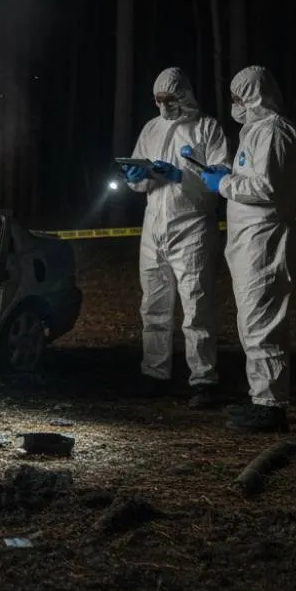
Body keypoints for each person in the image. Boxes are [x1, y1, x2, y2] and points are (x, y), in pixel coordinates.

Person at [200, 66, 296, 432]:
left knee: (262, 324)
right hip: (250, 241)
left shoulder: (274, 131)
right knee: (252, 323)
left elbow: (266, 188)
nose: (235, 104)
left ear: (255, 95)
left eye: (239, 97)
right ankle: (261, 397)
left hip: (265, 241)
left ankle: (271, 406)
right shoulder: (256, 132)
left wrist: (223, 183)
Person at [121, 67, 230, 408]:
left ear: (184, 95)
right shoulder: (151, 129)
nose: (163, 105)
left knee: (196, 305)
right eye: (157, 100)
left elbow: (221, 180)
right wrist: (136, 176)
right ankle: (155, 374)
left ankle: (203, 379)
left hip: (192, 225)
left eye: (169, 98)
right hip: (154, 224)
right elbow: (138, 185)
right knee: (153, 304)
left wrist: (182, 176)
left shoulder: (207, 129)